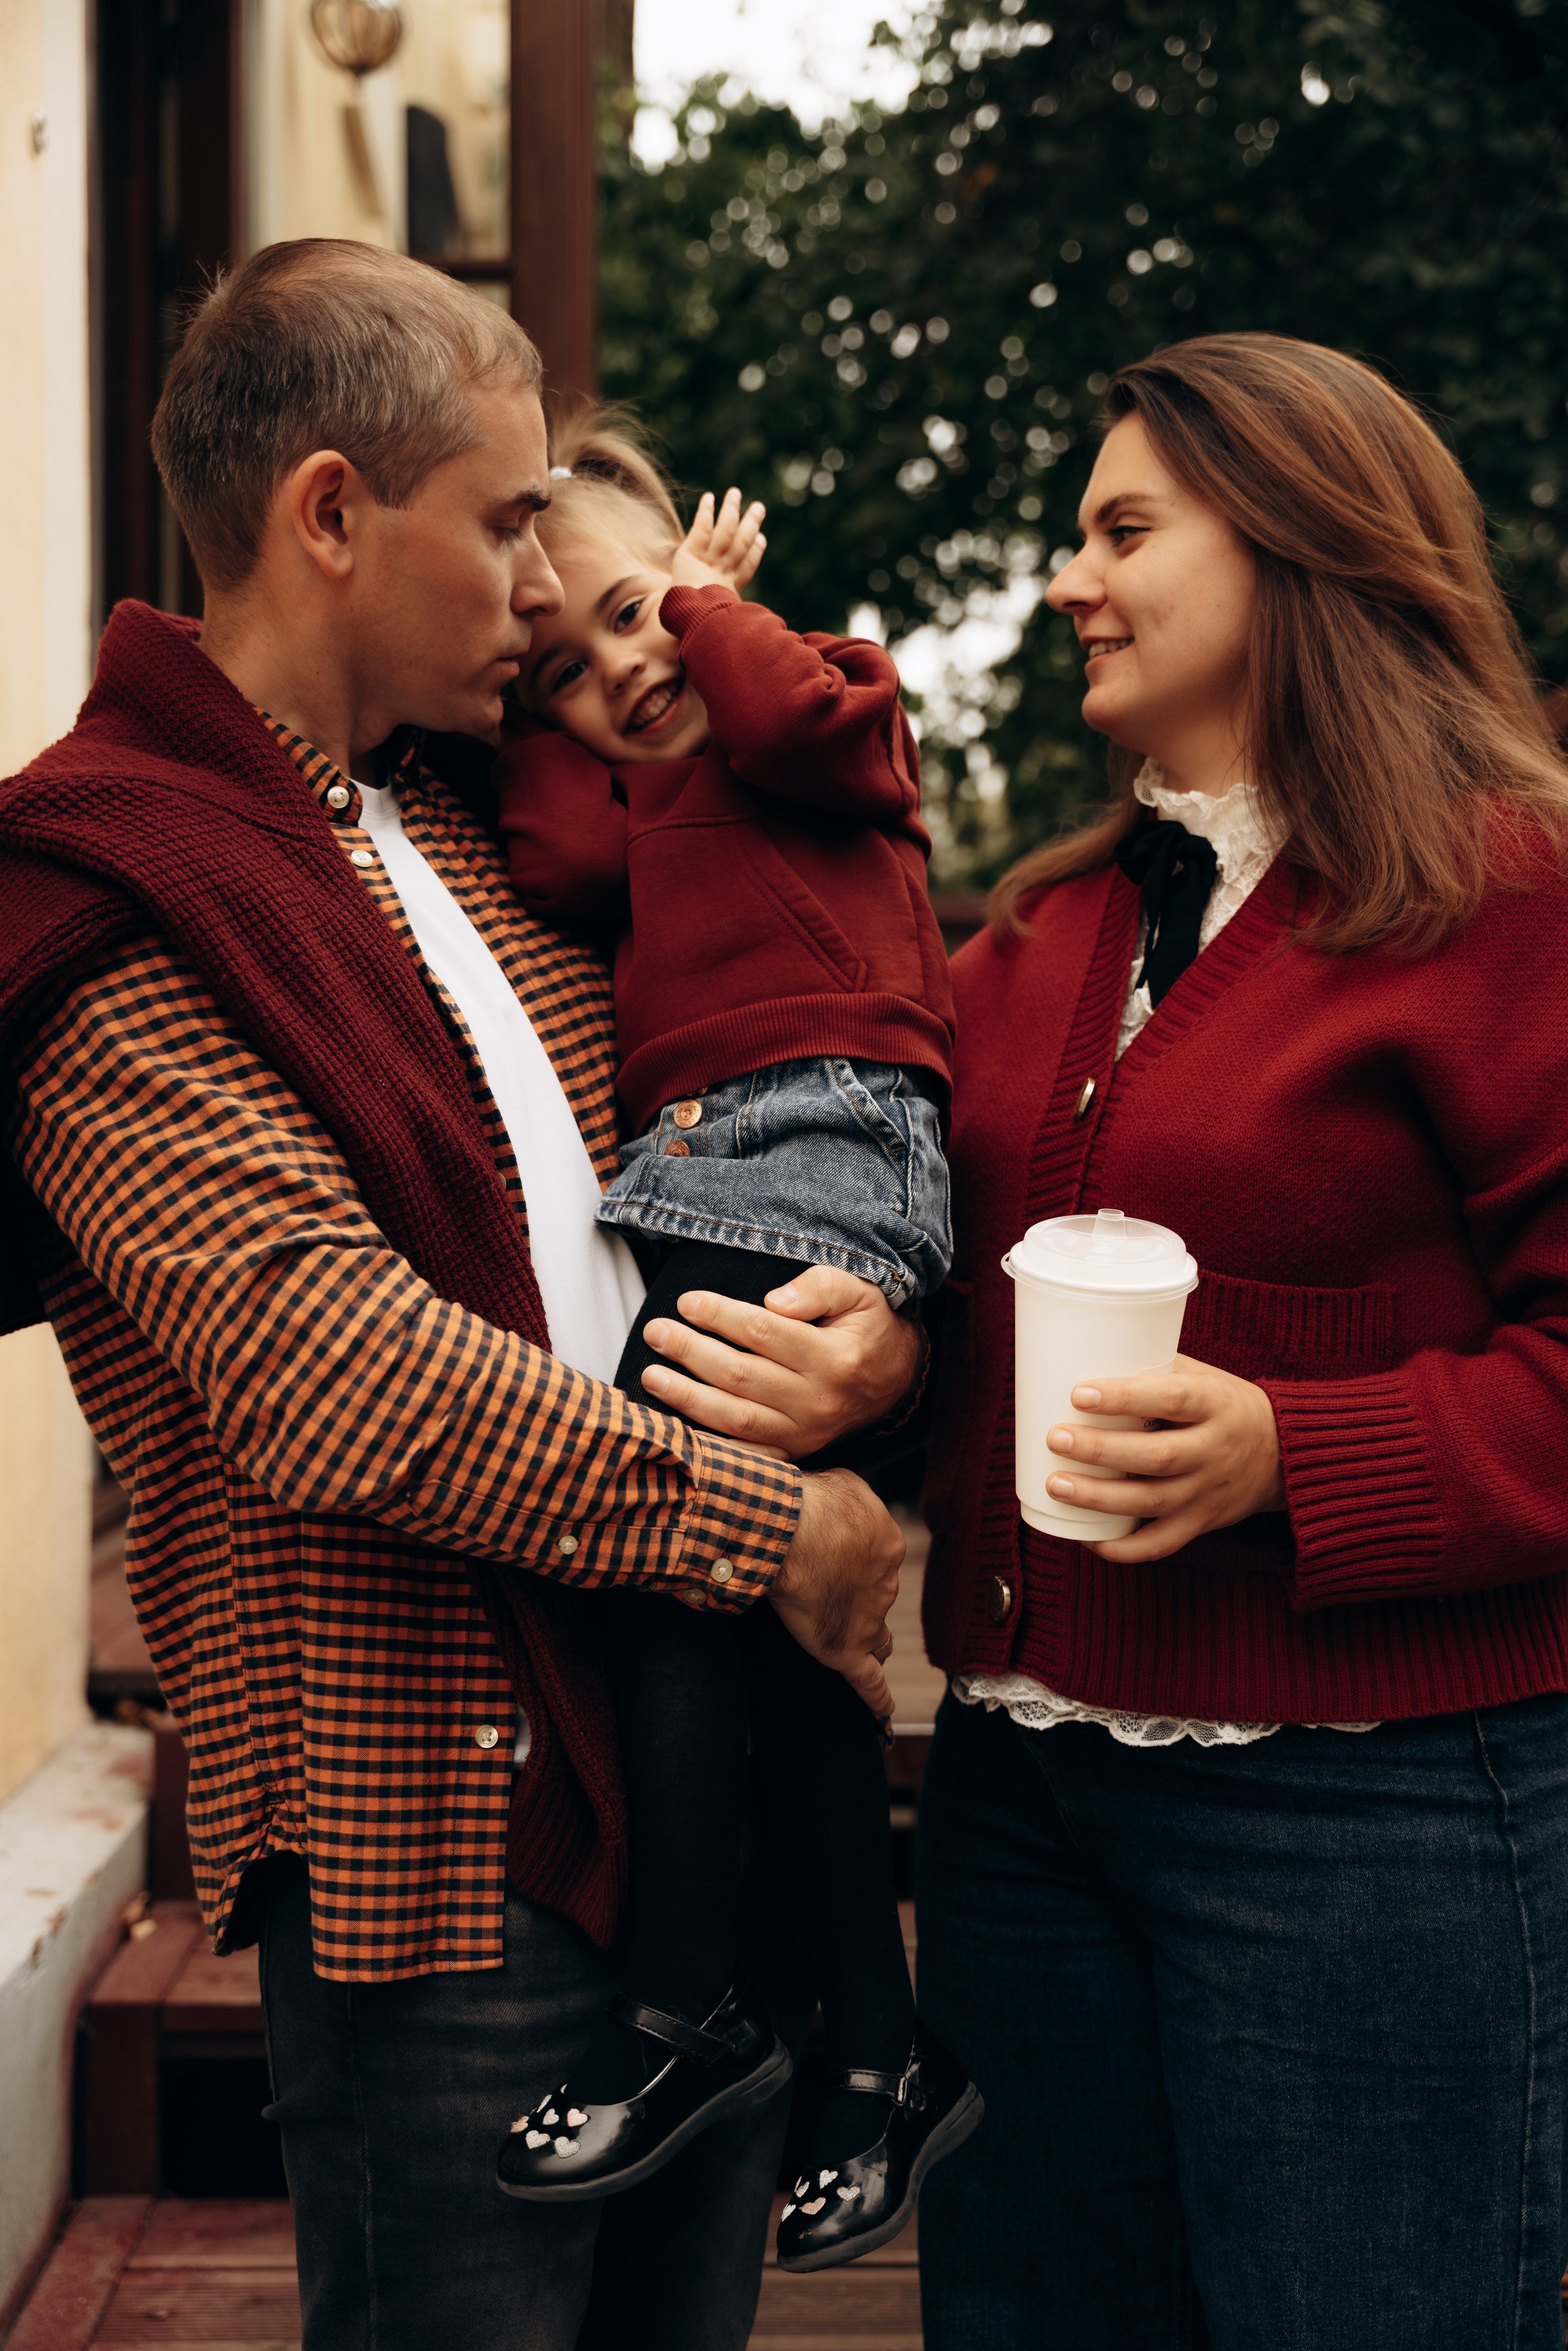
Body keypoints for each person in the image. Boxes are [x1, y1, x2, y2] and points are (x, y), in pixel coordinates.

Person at [0, 239, 922, 2351]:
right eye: (506, 521)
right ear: (330, 513)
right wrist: (779, 1527)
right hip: (439, 1848)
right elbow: (332, 1370)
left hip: (686, 1797)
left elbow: (756, 1119)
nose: (539, 583)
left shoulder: (503, 833)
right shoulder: (103, 878)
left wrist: (885, 1332)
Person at [913, 331, 1568, 2351]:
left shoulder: (1512, 894)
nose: (1068, 580)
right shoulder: (1028, 939)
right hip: (1019, 1798)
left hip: (1374, 1825)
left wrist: (1299, 1452)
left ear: (1294, 548)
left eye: (1123, 529)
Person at [489, 409, 979, 2270]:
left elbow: (791, 718)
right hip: (715, 1182)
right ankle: (872, 2051)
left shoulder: (825, 712)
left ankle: (692, 1999)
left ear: (703, 585)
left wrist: (699, 613)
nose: (621, 672)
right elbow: (543, 847)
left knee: (653, 1530)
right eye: (568, 663)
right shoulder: (650, 816)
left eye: (630, 616)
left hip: (831, 1149)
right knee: (769, 1645)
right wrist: (533, 688)